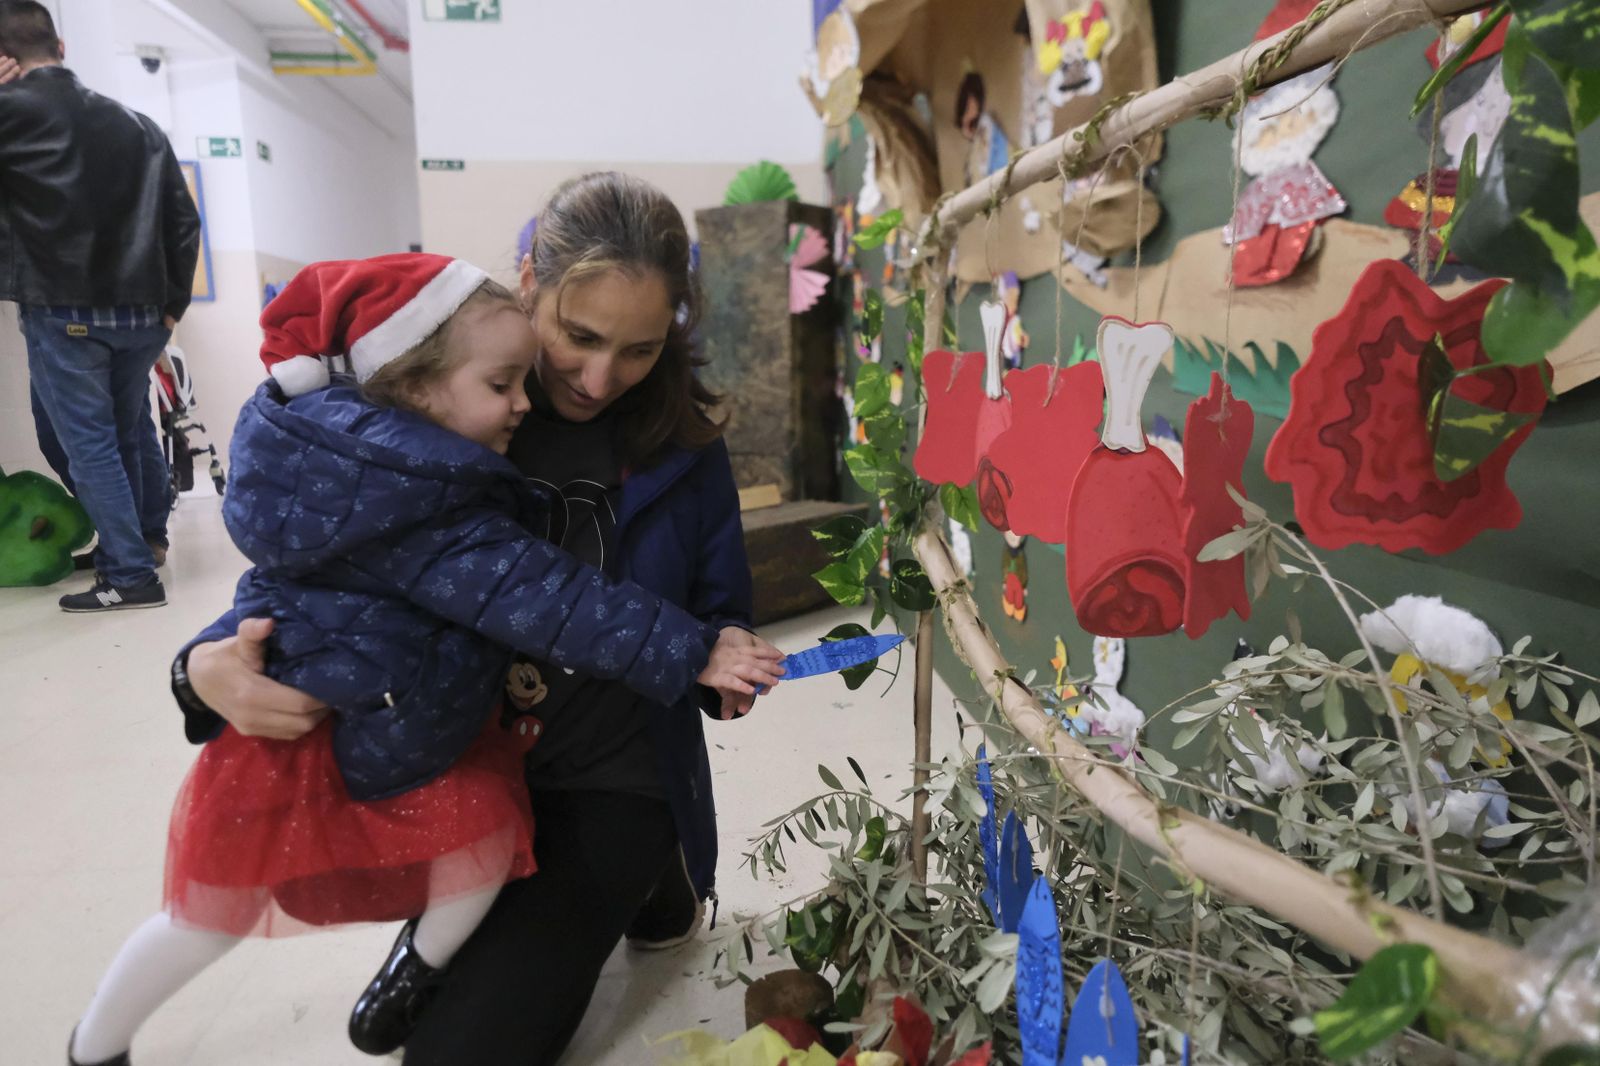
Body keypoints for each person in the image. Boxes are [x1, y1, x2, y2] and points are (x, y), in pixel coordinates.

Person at [67, 252, 785, 1066]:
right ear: (529, 288)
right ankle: (100, 1039)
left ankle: (644, 876)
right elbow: (294, 586)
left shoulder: (627, 432)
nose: (597, 375)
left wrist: (714, 651)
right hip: (455, 746)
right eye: (578, 336)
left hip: (592, 767)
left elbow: (599, 599)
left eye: (641, 348)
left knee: (482, 952)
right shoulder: (440, 410)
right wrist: (199, 667)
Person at [0, 1, 199, 611]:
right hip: (142, 312)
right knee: (126, 428)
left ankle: (130, 575)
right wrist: (172, 307)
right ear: (60, 49)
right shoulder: (138, 125)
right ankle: (143, 538)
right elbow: (182, 220)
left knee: (88, 446)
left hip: (64, 308)